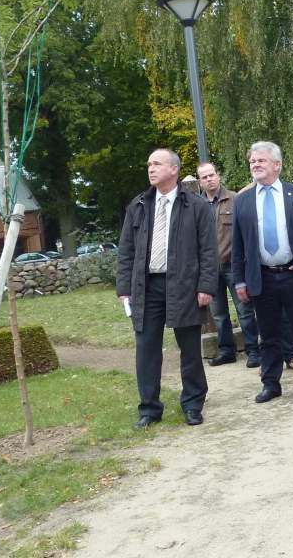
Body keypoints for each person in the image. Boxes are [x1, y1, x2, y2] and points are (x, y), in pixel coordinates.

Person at [117, 148, 218, 428]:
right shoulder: (138, 205)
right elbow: (126, 250)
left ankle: (193, 405)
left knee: (190, 349)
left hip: (184, 285)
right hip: (146, 287)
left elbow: (208, 250)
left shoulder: (196, 206)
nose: (150, 168)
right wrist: (124, 288)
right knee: (146, 349)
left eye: (157, 163)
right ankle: (149, 409)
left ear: (174, 169)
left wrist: (206, 286)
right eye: (149, 164)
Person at [231, 141, 293, 403]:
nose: (255, 165)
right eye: (252, 161)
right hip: (261, 277)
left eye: (261, 160)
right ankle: (271, 384)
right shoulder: (243, 201)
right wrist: (239, 281)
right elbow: (237, 245)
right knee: (269, 335)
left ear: (277, 165)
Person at [197, 162, 261, 368]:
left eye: (212, 175)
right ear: (200, 182)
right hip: (209, 269)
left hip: (234, 266)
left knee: (245, 310)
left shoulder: (235, 199)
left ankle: (253, 350)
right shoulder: (196, 205)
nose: (209, 179)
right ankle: (226, 351)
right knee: (219, 314)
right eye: (204, 177)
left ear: (218, 175)